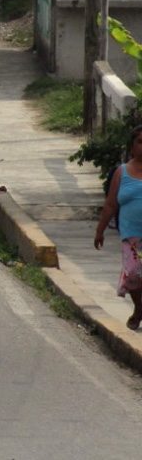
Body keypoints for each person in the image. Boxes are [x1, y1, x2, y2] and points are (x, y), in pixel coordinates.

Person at [95, 124, 142, 331]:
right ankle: (139, 308)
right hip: (131, 235)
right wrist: (100, 230)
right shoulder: (121, 172)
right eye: (140, 142)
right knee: (132, 273)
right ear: (132, 147)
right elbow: (111, 204)